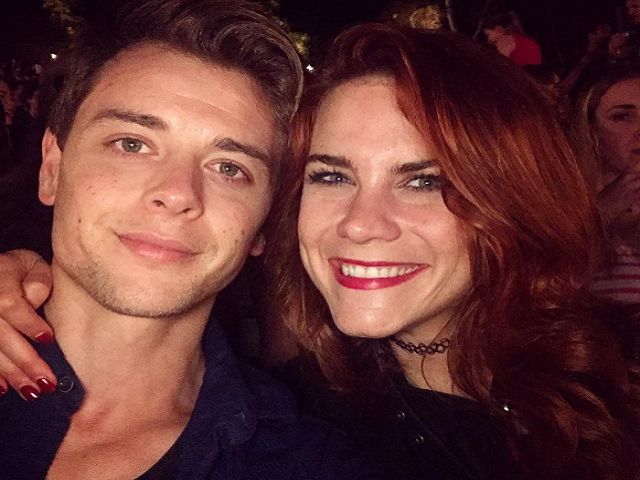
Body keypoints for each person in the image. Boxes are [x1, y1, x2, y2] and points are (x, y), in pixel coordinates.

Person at [1, 22, 639, 480]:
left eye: (424, 181)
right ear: (52, 165)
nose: (360, 225)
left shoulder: (308, 449)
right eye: (131, 144)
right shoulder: (322, 402)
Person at [0, 1, 387, 479]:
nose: (178, 193)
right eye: (131, 144)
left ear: (263, 225)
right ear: (52, 168)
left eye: (229, 168)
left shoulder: (309, 464)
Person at [264, 24, 640, 479]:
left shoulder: (619, 379)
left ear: (514, 203)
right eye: (332, 177)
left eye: (425, 181)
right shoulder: (282, 427)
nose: (359, 224)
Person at [571, 66, 640, 304]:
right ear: (591, 129)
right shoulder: (561, 204)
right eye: (623, 117)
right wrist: (602, 213)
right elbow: (541, 288)